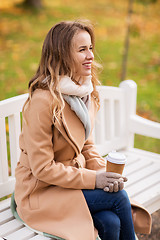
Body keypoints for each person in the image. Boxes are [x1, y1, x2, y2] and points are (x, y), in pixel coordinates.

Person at [14, 20, 136, 240]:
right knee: (120, 199)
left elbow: (85, 143)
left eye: (90, 48)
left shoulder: (82, 91)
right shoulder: (43, 101)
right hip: (41, 192)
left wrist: (104, 173)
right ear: (61, 56)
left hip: (69, 184)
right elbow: (42, 169)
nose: (90, 55)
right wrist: (94, 180)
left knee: (111, 221)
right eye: (82, 50)